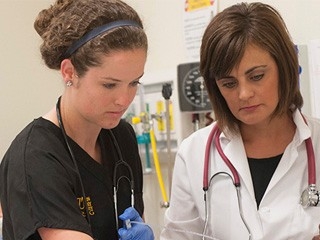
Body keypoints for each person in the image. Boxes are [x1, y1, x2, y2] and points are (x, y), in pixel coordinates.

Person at [160, 2, 320, 240]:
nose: (244, 94)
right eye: (229, 84)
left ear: (284, 68)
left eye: (256, 76)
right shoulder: (194, 153)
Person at [0, 0, 154, 239]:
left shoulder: (121, 137)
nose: (124, 100)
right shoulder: (35, 156)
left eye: (134, 82)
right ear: (69, 72)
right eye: (109, 84)